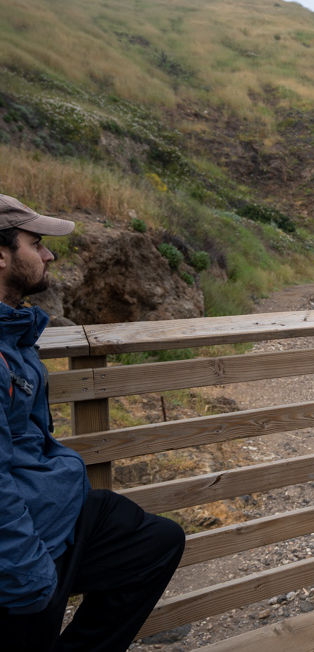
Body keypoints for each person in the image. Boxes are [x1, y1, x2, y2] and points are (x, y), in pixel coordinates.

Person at [0, 194, 185, 651]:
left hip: (57, 507)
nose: (49, 254)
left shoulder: (14, 332)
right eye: (36, 243)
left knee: (157, 542)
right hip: (24, 542)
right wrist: (29, 575)